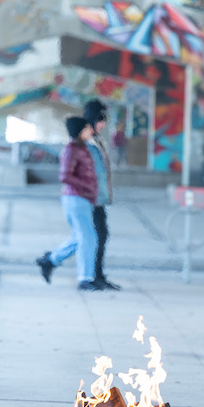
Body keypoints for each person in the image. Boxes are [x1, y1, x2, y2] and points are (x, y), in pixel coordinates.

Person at [35, 117, 100, 291]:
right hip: (75, 198)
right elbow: (65, 176)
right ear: (79, 131)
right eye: (87, 128)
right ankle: (85, 278)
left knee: (83, 237)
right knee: (87, 237)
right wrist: (86, 187)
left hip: (84, 199)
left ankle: (51, 260)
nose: (90, 131)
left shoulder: (83, 149)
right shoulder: (71, 150)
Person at [83, 99, 121, 291]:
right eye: (101, 120)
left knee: (97, 235)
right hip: (89, 198)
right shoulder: (85, 141)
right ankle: (92, 275)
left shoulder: (97, 140)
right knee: (94, 236)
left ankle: (96, 274)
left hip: (98, 198)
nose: (103, 124)